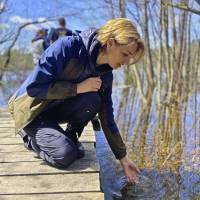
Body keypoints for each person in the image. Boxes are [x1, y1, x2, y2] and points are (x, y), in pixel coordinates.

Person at [8, 18, 145, 184]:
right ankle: (30, 139)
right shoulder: (67, 47)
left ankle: (71, 135)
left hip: (54, 108)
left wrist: (123, 157)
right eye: (125, 55)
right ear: (110, 43)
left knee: (94, 99)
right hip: (31, 109)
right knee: (65, 155)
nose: (126, 63)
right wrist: (77, 88)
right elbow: (34, 88)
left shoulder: (106, 75)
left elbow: (107, 117)